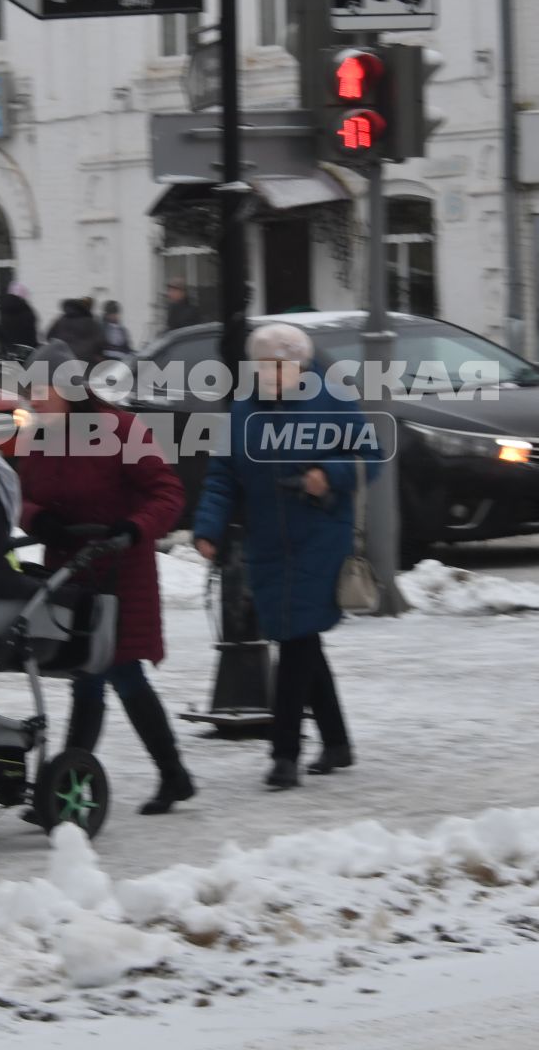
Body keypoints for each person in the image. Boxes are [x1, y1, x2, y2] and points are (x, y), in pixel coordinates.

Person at [190, 323, 379, 790]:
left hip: (320, 534)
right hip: (269, 543)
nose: (273, 374)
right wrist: (208, 528)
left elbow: (369, 455)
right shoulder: (241, 411)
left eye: (281, 364)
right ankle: (337, 742)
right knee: (300, 637)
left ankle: (284, 753)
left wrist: (328, 475)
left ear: (301, 364)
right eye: (264, 365)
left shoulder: (331, 399)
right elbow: (222, 475)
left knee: (295, 640)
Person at [19, 340, 195, 815]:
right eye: (29, 391)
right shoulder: (38, 436)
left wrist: (133, 529)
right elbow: (21, 494)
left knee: (109, 673)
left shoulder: (120, 429)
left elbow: (167, 493)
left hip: (119, 573)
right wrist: (38, 519)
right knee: (97, 674)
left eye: (41, 391)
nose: (33, 400)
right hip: (69, 575)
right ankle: (168, 776)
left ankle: (70, 787)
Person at [45, 296, 105, 362]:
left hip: (61, 358)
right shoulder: (90, 322)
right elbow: (100, 341)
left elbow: (49, 337)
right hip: (81, 360)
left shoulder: (60, 320)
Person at [0, 282, 38, 350]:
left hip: (8, 352)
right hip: (25, 352)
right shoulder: (25, 309)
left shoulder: (4, 309)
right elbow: (31, 333)